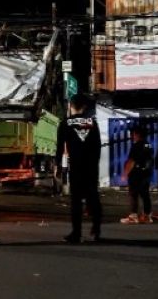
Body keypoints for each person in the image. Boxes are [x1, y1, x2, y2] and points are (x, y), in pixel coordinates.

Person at [55, 94, 102, 243]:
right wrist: (94, 164)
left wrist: (57, 166)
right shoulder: (93, 123)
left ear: (71, 106)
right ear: (84, 107)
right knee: (93, 197)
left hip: (76, 166)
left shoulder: (65, 123)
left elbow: (59, 147)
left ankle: (77, 233)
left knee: (76, 200)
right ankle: (96, 229)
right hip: (91, 167)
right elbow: (98, 147)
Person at [121, 125, 154, 224]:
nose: (132, 136)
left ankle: (133, 216)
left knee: (133, 194)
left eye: (134, 134)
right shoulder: (148, 145)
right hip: (147, 173)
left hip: (137, 173)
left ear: (137, 134)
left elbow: (132, 161)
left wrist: (125, 173)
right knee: (145, 194)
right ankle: (147, 216)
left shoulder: (136, 145)